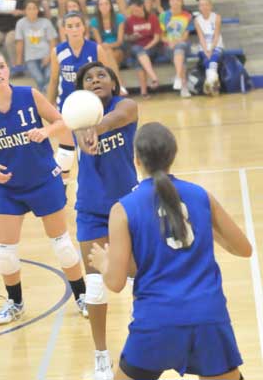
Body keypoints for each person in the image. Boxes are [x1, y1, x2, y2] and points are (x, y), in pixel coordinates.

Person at [89, 121, 252, 380]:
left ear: (136, 160)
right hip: (207, 317)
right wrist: (205, 229)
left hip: (156, 321)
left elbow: (116, 282)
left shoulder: (123, 208)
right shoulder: (201, 195)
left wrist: (103, 262)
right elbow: (244, 249)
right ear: (173, 156)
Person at [0, 51, 88, 325]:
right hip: (9, 187)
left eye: (1, 66)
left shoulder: (29, 95)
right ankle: (15, 303)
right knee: (5, 253)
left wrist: (46, 132)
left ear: (8, 70)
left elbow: (61, 122)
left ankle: (81, 296)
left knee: (62, 245)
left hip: (44, 181)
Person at [73, 61, 138, 380]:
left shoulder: (126, 106)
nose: (96, 79)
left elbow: (119, 117)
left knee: (144, 278)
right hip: (92, 209)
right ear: (82, 88)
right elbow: (77, 134)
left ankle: (145, 338)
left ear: (113, 83)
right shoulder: (76, 114)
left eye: (102, 75)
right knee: (96, 287)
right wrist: (83, 131)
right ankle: (101, 356)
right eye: (88, 78)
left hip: (128, 207)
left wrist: (96, 128)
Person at [47, 11, 108, 188]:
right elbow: (53, 80)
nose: (74, 29)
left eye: (77, 25)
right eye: (70, 26)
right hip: (67, 108)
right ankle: (61, 185)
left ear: (84, 27)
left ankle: (93, 183)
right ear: (64, 29)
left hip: (91, 108)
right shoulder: (57, 52)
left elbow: (106, 78)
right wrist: (49, 107)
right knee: (67, 151)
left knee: (90, 148)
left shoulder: (95, 49)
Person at [15, 0, 58, 93]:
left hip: (46, 54)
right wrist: (18, 60)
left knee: (48, 77)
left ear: (38, 10)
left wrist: (50, 56)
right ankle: (45, 96)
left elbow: (52, 41)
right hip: (31, 57)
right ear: (25, 10)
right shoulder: (20, 23)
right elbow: (20, 42)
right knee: (40, 79)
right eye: (29, 9)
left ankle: (45, 96)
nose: (32, 11)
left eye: (34, 8)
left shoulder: (46, 22)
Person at [90, 0, 128, 95]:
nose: (104, 6)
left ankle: (116, 86)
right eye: (101, 4)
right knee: (107, 54)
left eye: (106, 4)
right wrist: (106, 47)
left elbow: (120, 41)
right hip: (103, 51)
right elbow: (99, 43)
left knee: (108, 53)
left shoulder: (119, 18)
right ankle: (119, 86)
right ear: (97, 7)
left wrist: (108, 46)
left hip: (119, 50)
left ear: (111, 6)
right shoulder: (94, 22)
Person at [125, 0, 161, 98]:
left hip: (151, 46)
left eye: (135, 10)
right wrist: (132, 37)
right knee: (137, 50)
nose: (134, 12)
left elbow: (157, 38)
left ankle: (144, 91)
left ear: (142, 7)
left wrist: (146, 48)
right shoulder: (130, 20)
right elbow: (126, 37)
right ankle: (153, 78)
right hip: (136, 47)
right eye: (132, 10)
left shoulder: (152, 17)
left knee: (139, 59)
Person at [159, 0, 192, 98]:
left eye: (178, 0)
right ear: (169, 2)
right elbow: (161, 36)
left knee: (180, 47)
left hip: (183, 44)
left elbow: (185, 36)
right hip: (168, 47)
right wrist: (169, 42)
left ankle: (178, 77)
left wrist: (175, 42)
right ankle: (183, 85)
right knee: (180, 54)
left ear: (182, 2)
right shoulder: (163, 16)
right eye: (173, 0)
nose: (175, 2)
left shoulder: (187, 16)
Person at [194, 0, 224, 96]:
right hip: (204, 45)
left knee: (212, 58)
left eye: (206, 4)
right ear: (199, 8)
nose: (204, 7)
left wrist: (211, 48)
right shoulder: (197, 20)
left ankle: (210, 83)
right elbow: (201, 37)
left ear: (210, 6)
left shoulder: (217, 17)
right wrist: (206, 50)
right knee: (208, 59)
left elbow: (216, 35)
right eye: (202, 5)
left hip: (216, 44)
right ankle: (213, 86)